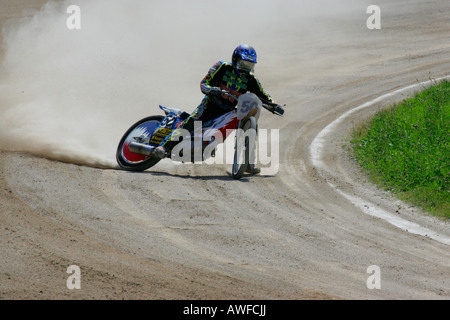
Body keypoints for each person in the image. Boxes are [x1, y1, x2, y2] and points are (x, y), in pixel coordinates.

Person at [155, 44, 278, 174]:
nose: (246, 69)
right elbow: (204, 83)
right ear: (235, 60)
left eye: (250, 65)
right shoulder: (222, 67)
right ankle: (164, 146)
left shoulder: (251, 79)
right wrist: (211, 89)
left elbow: (263, 95)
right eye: (244, 64)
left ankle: (248, 162)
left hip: (228, 111)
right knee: (193, 120)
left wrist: (274, 105)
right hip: (210, 105)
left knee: (253, 127)